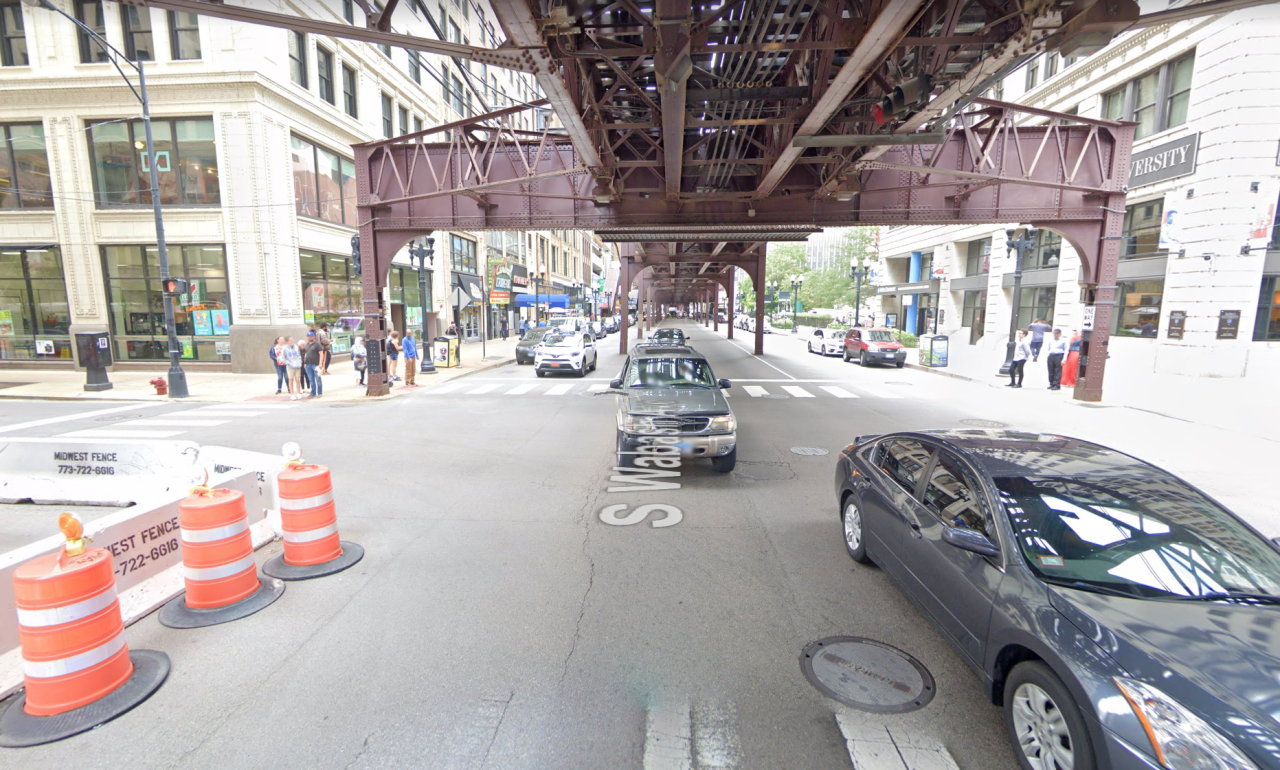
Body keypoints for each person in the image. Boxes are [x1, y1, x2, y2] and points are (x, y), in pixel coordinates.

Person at [282, 336, 304, 401]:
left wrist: (300, 362)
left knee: (297, 380)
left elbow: (298, 355)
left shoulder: (296, 347)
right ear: (287, 341)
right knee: (291, 380)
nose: (292, 341)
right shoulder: (284, 348)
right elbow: (282, 358)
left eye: (292, 340)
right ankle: (292, 394)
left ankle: (298, 393)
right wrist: (289, 363)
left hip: (297, 365)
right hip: (290, 367)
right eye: (290, 340)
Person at [303, 331, 323, 397]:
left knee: (318, 379)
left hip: (315, 364)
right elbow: (306, 354)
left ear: (313, 337)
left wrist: (320, 363)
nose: (309, 338)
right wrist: (305, 363)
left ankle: (319, 392)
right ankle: (313, 392)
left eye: (310, 336)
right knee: (311, 379)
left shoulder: (317, 344)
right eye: (308, 336)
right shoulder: (307, 344)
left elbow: (321, 354)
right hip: (308, 364)